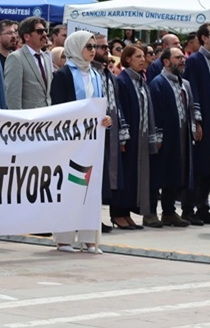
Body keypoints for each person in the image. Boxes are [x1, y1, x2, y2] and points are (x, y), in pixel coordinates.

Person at [50, 32, 112, 253]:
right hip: (70, 139)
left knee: (91, 188)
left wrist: (105, 119)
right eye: (88, 46)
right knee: (68, 188)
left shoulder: (95, 74)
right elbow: (58, 109)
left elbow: (98, 105)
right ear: (76, 47)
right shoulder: (63, 75)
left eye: (94, 46)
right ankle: (64, 239)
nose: (93, 50)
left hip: (92, 140)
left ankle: (90, 238)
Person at [149, 47, 200, 228]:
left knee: (178, 174)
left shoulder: (185, 84)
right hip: (165, 137)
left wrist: (194, 128)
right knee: (159, 174)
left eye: (183, 57)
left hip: (183, 136)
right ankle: (151, 213)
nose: (183, 60)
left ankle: (169, 212)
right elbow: (155, 112)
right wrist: (157, 136)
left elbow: (191, 108)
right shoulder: (158, 83)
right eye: (178, 58)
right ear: (166, 61)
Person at [114, 45, 160, 229]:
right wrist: (123, 135)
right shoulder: (122, 81)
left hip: (141, 135)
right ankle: (118, 213)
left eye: (143, 56)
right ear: (127, 59)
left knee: (134, 175)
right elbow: (120, 108)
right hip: (129, 136)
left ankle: (126, 212)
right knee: (124, 174)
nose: (142, 60)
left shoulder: (141, 80)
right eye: (138, 57)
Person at [181, 23, 210, 225]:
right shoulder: (195, 60)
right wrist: (197, 121)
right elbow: (192, 91)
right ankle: (188, 208)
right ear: (204, 38)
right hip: (202, 120)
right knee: (198, 166)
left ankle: (203, 207)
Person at [93, 34, 127, 234]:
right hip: (96, 130)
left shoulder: (109, 74)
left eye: (107, 47)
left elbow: (116, 103)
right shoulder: (91, 73)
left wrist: (122, 130)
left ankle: (98, 217)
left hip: (111, 129)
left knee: (106, 176)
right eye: (101, 47)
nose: (106, 50)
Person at [4, 17, 52, 110]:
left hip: (47, 115)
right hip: (27, 116)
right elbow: (13, 96)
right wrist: (17, 118)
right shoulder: (16, 58)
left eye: (45, 31)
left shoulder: (46, 57)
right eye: (40, 31)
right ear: (26, 36)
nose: (45, 34)